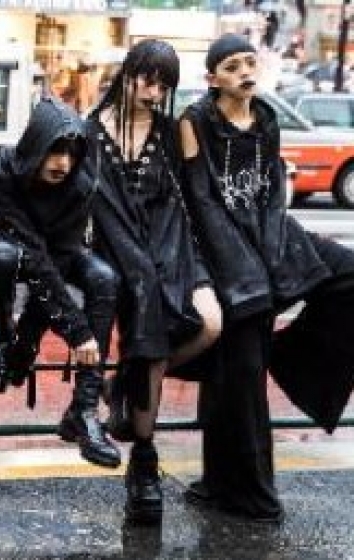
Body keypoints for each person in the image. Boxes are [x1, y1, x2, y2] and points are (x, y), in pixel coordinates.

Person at [180, 33, 354, 522]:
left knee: (348, 273)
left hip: (271, 235)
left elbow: (273, 194)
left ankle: (289, 355)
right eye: (232, 66)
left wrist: (276, 251)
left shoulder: (267, 118)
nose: (244, 72)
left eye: (249, 62)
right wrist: (246, 269)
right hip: (222, 250)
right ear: (213, 78)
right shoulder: (195, 121)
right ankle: (242, 491)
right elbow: (202, 202)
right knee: (240, 365)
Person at [84, 39, 222, 525]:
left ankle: (122, 383)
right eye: (148, 79)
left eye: (165, 85)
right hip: (119, 259)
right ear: (127, 74)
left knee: (210, 324)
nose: (154, 92)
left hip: (174, 251)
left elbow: (198, 191)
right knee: (152, 342)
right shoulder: (89, 132)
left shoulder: (170, 131)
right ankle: (144, 459)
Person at [0, 95, 121, 469]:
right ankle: (1, 341)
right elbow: (29, 249)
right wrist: (73, 331)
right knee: (5, 256)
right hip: (7, 245)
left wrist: (31, 341)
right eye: (55, 151)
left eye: (72, 153)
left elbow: (58, 260)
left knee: (104, 278)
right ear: (36, 143)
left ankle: (84, 410)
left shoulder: (80, 183)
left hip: (58, 253)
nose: (63, 163)